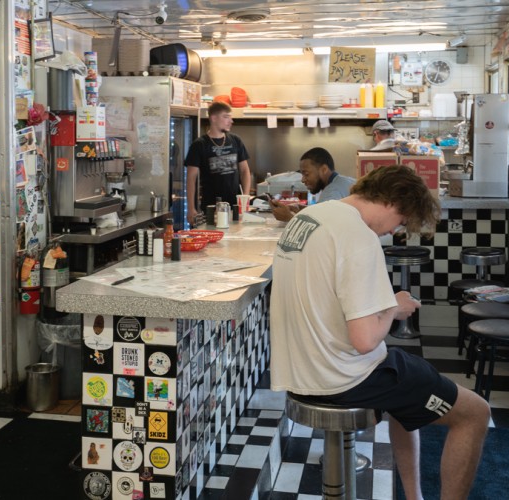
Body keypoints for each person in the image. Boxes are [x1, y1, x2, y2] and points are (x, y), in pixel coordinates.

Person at [270, 165, 490, 500]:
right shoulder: (358, 236)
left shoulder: (311, 216)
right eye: (401, 223)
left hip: (299, 369)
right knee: (475, 413)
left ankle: (414, 497)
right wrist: (393, 307)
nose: (392, 232)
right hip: (340, 378)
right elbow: (365, 341)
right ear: (394, 203)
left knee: (411, 387)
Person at [185, 102, 251, 225]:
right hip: (210, 208)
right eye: (226, 117)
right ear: (214, 118)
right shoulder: (199, 145)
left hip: (235, 206)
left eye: (230, 117)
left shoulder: (236, 140)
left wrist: (245, 198)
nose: (231, 121)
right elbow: (190, 178)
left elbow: (245, 171)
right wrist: (190, 208)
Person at [269, 147, 355, 222]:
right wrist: (303, 210)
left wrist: (289, 217)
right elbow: (324, 214)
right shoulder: (344, 181)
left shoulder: (332, 192)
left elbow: (321, 228)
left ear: (324, 169)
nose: (302, 180)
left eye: (306, 174)